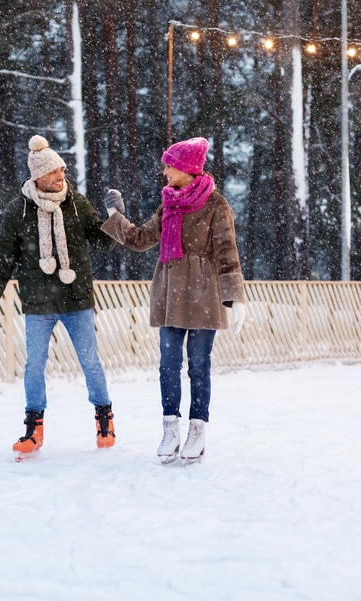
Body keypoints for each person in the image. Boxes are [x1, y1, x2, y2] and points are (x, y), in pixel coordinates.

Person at [101, 137, 247, 464]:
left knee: (198, 366)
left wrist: (235, 298)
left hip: (204, 294)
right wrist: (116, 214)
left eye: (170, 165)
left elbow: (227, 253)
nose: (164, 171)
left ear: (187, 168)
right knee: (168, 364)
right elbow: (140, 240)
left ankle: (198, 429)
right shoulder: (168, 204)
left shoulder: (216, 205)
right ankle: (170, 427)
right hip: (169, 294)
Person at [0, 135, 118, 460]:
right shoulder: (19, 212)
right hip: (38, 302)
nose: (61, 176)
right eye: (55, 173)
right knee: (34, 365)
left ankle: (104, 419)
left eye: (62, 171)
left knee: (90, 362)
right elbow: (4, 258)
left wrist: (116, 217)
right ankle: (33, 428)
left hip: (77, 298)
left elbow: (104, 242)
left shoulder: (76, 203)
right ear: (39, 177)